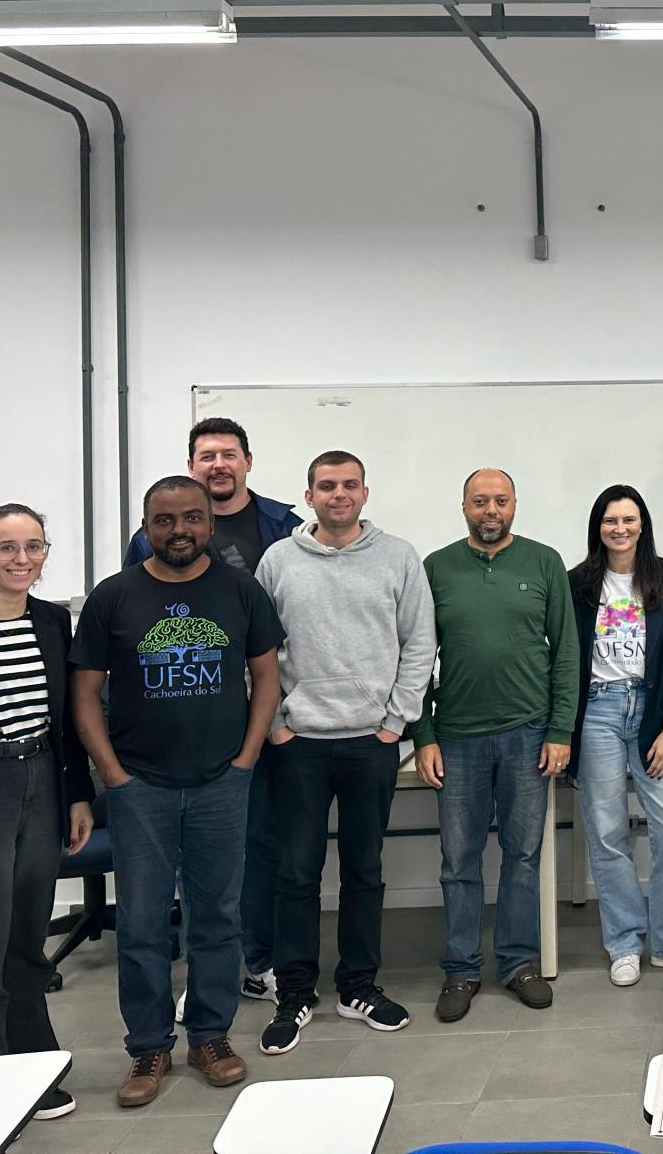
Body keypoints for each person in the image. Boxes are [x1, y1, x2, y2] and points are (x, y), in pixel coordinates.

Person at [70, 475, 284, 1107]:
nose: (180, 530)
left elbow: (266, 677)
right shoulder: (114, 597)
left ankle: (210, 1037)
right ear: (146, 528)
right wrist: (113, 774)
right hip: (140, 788)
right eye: (164, 520)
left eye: (192, 518)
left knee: (216, 918)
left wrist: (246, 759)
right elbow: (84, 695)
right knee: (141, 924)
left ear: (209, 524)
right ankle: (148, 1046)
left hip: (221, 783)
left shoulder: (241, 591)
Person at [253, 452, 436, 1054]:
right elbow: (257, 650)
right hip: (298, 743)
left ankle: (358, 987)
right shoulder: (278, 560)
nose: (339, 494)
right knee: (295, 873)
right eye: (326, 486)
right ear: (308, 496)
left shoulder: (398, 557)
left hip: (370, 742)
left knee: (364, 870)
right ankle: (294, 994)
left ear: (364, 492)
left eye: (349, 485)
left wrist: (394, 722)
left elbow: (419, 643)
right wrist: (276, 725)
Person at [126, 417, 301, 1006]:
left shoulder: (284, 527)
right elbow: (137, 622)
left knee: (261, 844)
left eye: (229, 453)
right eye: (207, 455)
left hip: (268, 715)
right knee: (191, 860)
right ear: (192, 465)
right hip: (187, 715)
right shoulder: (150, 537)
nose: (219, 463)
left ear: (248, 461)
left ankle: (257, 962)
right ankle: (205, 979)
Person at [0, 507, 94, 1120]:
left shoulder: (53, 620)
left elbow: (68, 718)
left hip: (42, 776)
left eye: (34, 546)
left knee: (28, 929)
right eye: (7, 547)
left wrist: (77, 793)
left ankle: (31, 1063)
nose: (22, 559)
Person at [412, 468, 579, 1022]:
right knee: (458, 859)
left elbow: (566, 652)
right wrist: (423, 733)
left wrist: (559, 730)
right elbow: (416, 656)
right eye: (480, 501)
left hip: (528, 732)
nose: (491, 510)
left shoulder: (544, 562)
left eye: (500, 501)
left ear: (514, 505)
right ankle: (461, 969)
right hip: (457, 737)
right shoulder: (436, 567)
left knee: (522, 855)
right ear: (463, 506)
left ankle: (518, 963)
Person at [568, 485, 663, 985]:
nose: (620, 528)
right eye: (610, 520)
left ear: (642, 525)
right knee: (607, 831)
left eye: (629, 519)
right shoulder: (578, 583)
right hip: (598, 712)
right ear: (598, 527)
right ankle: (624, 943)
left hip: (654, 714)